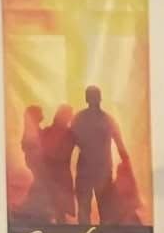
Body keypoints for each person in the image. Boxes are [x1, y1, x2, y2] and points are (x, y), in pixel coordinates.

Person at [72, 85, 130, 223]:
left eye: (92, 96)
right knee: (92, 208)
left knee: (96, 208)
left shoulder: (81, 118)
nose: (92, 99)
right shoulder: (106, 119)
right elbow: (69, 142)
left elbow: (69, 142)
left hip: (95, 169)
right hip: (95, 169)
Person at [41, 104, 76, 224]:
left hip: (56, 172)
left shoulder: (68, 133)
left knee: (58, 205)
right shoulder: (69, 134)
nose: (70, 118)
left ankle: (59, 223)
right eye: (68, 115)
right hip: (57, 172)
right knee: (57, 204)